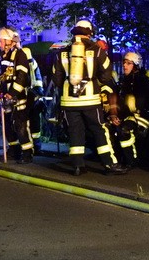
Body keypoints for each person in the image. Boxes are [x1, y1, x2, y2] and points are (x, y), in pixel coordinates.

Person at [51, 20, 127, 176]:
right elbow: (106, 76)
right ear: (90, 32)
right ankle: (109, 164)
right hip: (91, 100)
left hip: (69, 101)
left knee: (75, 131)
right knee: (100, 130)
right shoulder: (98, 51)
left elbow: (57, 80)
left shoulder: (62, 53)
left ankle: (78, 166)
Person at [0, 27, 34, 163]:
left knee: (20, 125)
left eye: (0, 41)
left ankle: (27, 153)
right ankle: (14, 150)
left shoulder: (20, 55)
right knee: (7, 127)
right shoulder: (0, 57)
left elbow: (22, 76)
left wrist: (12, 93)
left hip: (19, 98)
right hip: (5, 98)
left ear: (8, 41)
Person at [108, 51, 149, 169]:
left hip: (144, 116)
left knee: (124, 129)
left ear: (136, 65)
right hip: (129, 116)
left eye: (129, 63)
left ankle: (131, 161)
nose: (125, 65)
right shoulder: (126, 80)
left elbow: (143, 103)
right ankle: (118, 158)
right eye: (124, 63)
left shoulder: (143, 80)